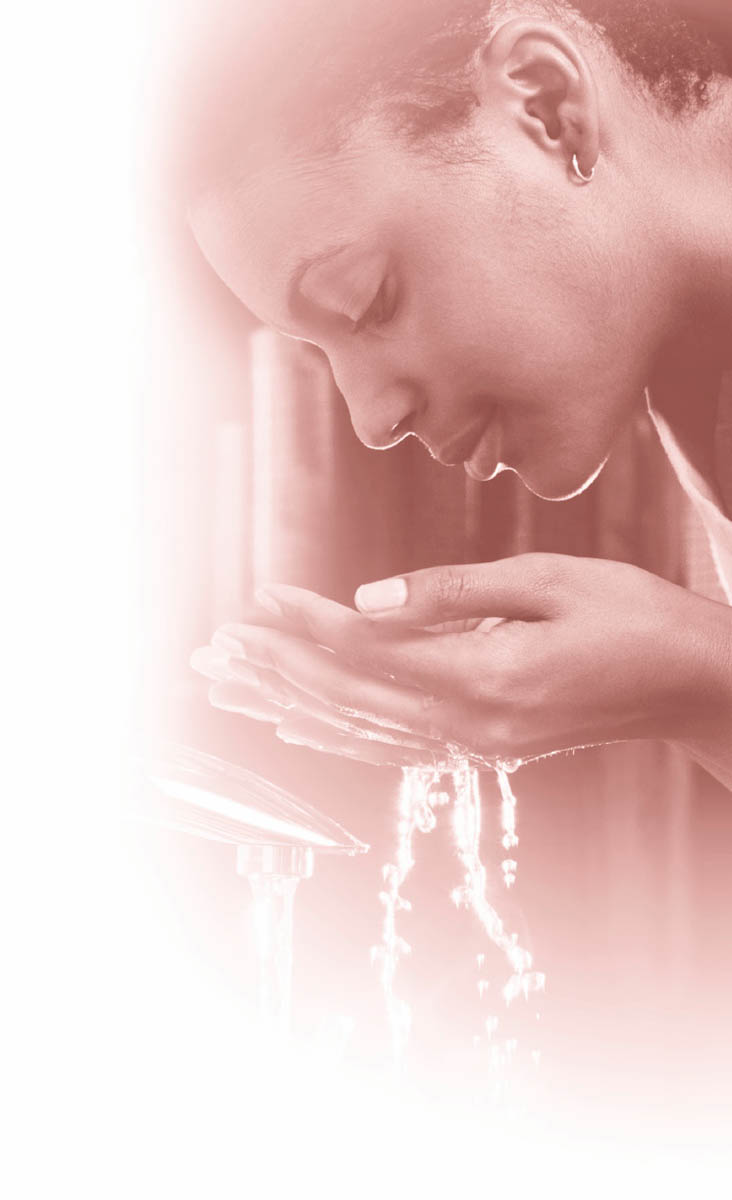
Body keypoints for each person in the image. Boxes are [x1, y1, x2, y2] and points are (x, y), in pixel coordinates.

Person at [185, 0, 732, 788]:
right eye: (321, 355)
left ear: (549, 107)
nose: (373, 419)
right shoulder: (696, 373)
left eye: (367, 302)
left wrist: (703, 682)